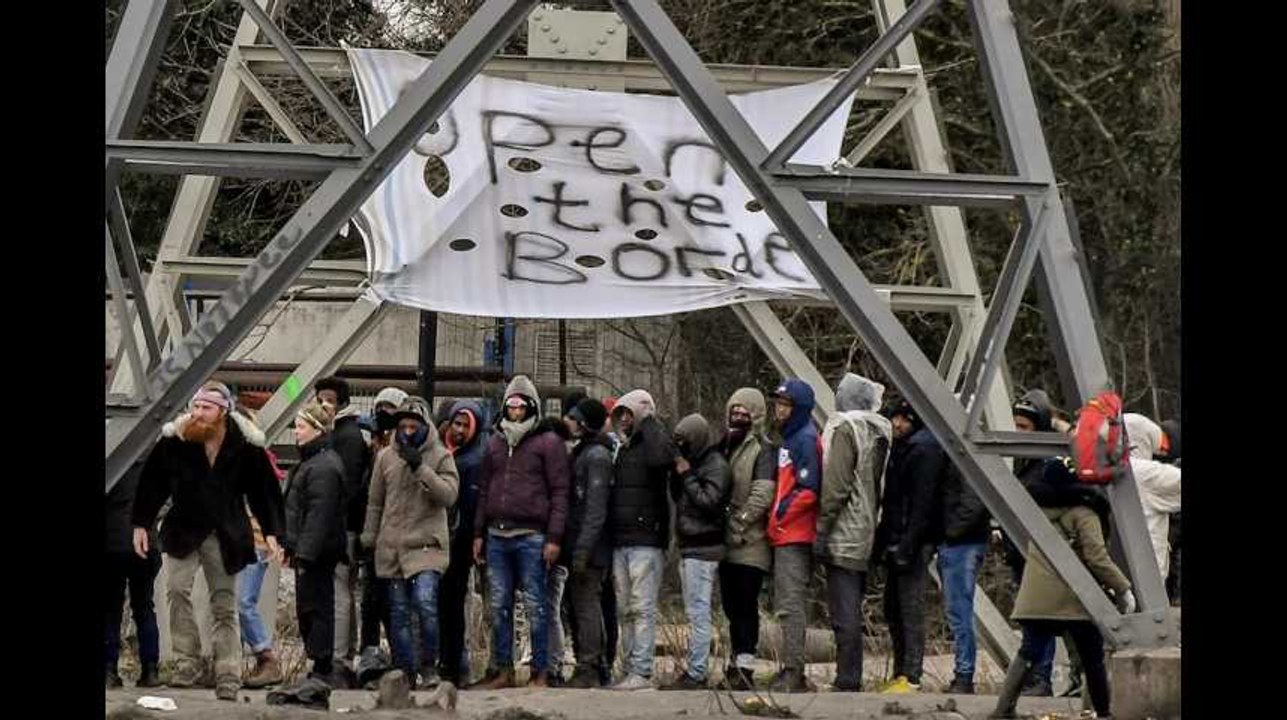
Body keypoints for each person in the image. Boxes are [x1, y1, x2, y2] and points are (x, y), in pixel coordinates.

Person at [131, 381, 285, 701]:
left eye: (206, 408)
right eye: (195, 407)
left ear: (223, 412)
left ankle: (227, 669)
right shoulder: (176, 440)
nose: (197, 414)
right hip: (183, 530)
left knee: (224, 604)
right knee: (176, 589)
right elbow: (152, 482)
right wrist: (141, 524)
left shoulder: (245, 445)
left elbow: (264, 490)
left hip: (225, 533)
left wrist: (272, 532)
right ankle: (187, 661)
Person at [990, 460, 1132, 719]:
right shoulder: (1084, 512)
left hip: (1037, 597)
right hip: (1075, 596)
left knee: (1029, 652)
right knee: (1092, 656)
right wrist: (1123, 588)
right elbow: (1097, 557)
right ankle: (1102, 713)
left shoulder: (1034, 512)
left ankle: (1003, 709)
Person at [471, 376, 571, 689]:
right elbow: (484, 490)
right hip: (497, 535)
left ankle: (540, 671)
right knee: (499, 605)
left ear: (531, 407)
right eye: (510, 404)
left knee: (536, 606)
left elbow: (560, 492)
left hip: (533, 536)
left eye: (520, 404)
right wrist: (478, 533)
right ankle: (504, 670)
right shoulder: (495, 442)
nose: (515, 410)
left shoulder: (548, 443)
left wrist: (554, 538)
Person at [361, 396, 460, 687]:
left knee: (425, 603)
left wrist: (421, 468)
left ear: (423, 425)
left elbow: (449, 496)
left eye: (412, 425)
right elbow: (375, 502)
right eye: (401, 425)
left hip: (426, 546)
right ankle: (406, 670)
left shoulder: (441, 456)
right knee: (399, 613)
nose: (406, 431)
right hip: (392, 547)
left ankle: (429, 666)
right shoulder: (385, 458)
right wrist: (369, 537)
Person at [815, 374, 890, 692]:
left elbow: (837, 485)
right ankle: (850, 674)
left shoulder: (846, 429)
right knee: (852, 607)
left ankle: (848, 677)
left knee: (843, 610)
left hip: (844, 531)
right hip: (869, 528)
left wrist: (821, 529)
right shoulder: (880, 428)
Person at [873, 399, 944, 694]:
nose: (897, 424)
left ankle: (911, 675)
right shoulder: (904, 449)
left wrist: (908, 544)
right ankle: (902, 671)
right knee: (894, 607)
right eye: (895, 418)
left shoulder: (922, 450)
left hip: (912, 541)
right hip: (900, 538)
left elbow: (921, 504)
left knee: (909, 608)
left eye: (903, 419)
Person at [607, 389, 675, 691]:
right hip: (621, 540)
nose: (623, 420)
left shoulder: (654, 440)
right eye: (620, 415)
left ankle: (642, 671)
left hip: (647, 540)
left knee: (642, 607)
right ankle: (629, 667)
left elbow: (663, 459)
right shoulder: (623, 448)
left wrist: (648, 421)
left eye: (628, 413)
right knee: (625, 608)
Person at [662, 414, 732, 690]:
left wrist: (687, 474)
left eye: (684, 442)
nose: (681, 446)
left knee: (698, 612)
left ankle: (698, 671)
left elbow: (709, 501)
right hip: (690, 546)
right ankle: (695, 668)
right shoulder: (697, 462)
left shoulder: (715, 465)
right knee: (694, 611)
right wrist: (678, 473)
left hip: (704, 548)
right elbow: (681, 497)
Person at [282, 400, 349, 685]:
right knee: (310, 606)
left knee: (317, 607)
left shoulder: (323, 467)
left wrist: (305, 553)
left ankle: (322, 666)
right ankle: (318, 663)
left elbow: (318, 515)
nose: (296, 432)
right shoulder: (313, 462)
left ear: (317, 430)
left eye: (301, 427)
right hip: (310, 549)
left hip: (317, 552)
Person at [717, 388, 776, 690]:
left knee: (745, 605)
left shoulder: (763, 450)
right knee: (730, 606)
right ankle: (733, 662)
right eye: (734, 411)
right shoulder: (724, 445)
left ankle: (746, 665)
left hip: (750, 542)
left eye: (744, 413)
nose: (737, 417)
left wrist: (739, 523)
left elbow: (762, 494)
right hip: (725, 543)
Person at [314, 376, 372, 687]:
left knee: (339, 591)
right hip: (345, 525)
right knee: (344, 590)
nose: (323, 403)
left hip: (342, 526)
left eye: (329, 398)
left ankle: (339, 659)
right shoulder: (345, 434)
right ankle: (345, 654)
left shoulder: (346, 437)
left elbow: (345, 487)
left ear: (342, 402)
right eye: (320, 397)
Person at [766, 379, 821, 693]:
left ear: (798, 408)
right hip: (785, 533)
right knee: (787, 603)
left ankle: (793, 671)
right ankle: (790, 667)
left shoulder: (804, 439)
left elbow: (808, 490)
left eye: (785, 405)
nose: (779, 409)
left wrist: (779, 518)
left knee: (791, 604)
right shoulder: (789, 439)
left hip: (794, 534)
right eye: (778, 403)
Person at [560, 399, 615, 688]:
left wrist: (582, 549)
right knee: (580, 603)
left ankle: (589, 666)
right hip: (583, 544)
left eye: (572, 417)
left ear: (584, 423)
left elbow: (595, 510)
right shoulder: (584, 453)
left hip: (591, 548)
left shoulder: (596, 457)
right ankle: (595, 664)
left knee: (586, 604)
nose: (567, 421)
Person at [438, 400, 489, 687]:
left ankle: (453, 666)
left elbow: (472, 506)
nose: (459, 430)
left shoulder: (474, 460)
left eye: (465, 425)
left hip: (459, 541)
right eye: (457, 423)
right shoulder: (441, 452)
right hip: (436, 537)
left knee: (454, 604)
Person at [357, 386, 408, 655]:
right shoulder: (370, 449)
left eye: (389, 411)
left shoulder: (402, 450)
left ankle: (401, 657)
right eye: (380, 411)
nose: (383, 417)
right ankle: (369, 653)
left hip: (397, 535)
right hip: (374, 536)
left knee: (394, 602)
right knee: (370, 601)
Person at [105, 461, 161, 689]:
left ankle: (109, 670)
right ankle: (150, 670)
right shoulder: (153, 461)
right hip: (146, 543)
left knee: (110, 608)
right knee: (144, 606)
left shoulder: (113, 454)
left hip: (112, 541)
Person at [240, 445, 288, 689]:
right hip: (247, 542)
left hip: (255, 542)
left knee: (243, 602)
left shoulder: (254, 469)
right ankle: (245, 662)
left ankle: (266, 656)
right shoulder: (261, 467)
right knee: (237, 604)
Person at [1156, 419, 1181, 604]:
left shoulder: (1166, 467)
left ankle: (1168, 595)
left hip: (1171, 518)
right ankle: (1173, 595)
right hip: (1173, 517)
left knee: (1168, 554)